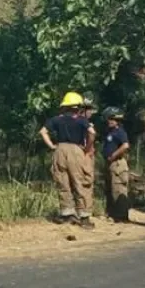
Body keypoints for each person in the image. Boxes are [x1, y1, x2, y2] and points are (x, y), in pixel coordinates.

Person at [39, 91, 96, 229]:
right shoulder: (81, 120)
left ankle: (66, 213)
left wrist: (52, 146)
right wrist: (87, 148)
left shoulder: (57, 119)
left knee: (62, 182)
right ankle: (84, 216)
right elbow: (92, 133)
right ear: (77, 107)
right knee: (79, 182)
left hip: (60, 149)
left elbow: (43, 132)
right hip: (76, 150)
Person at [101, 106, 130, 223]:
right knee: (111, 189)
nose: (109, 121)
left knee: (119, 188)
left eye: (112, 119)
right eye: (108, 119)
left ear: (117, 120)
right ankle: (113, 213)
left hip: (118, 163)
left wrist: (113, 155)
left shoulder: (120, 132)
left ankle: (121, 216)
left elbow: (125, 145)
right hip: (110, 164)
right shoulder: (110, 132)